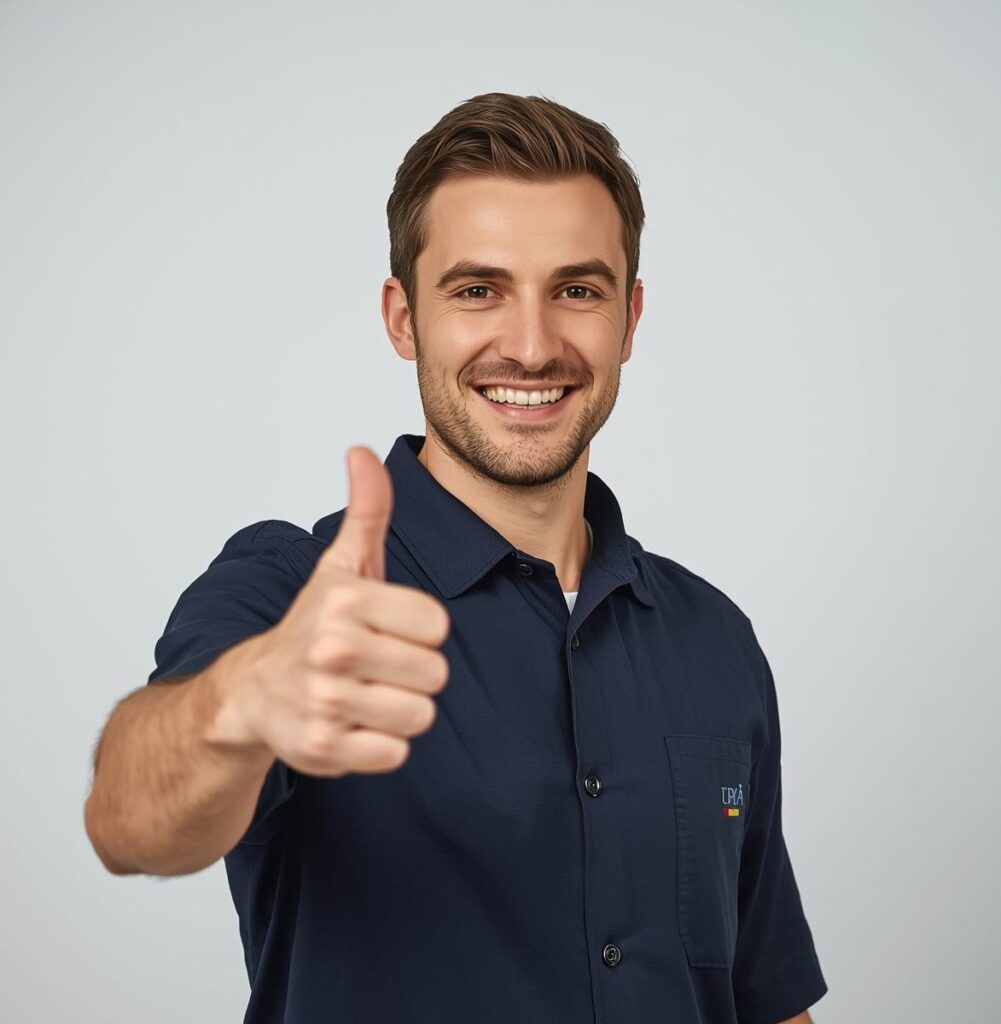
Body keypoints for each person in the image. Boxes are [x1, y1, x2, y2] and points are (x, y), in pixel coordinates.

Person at [84, 91, 828, 1024]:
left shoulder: (714, 639)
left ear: (630, 319)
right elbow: (128, 819)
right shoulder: (293, 593)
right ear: (403, 318)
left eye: (577, 289)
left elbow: (765, 999)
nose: (531, 345)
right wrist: (242, 703)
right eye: (478, 289)